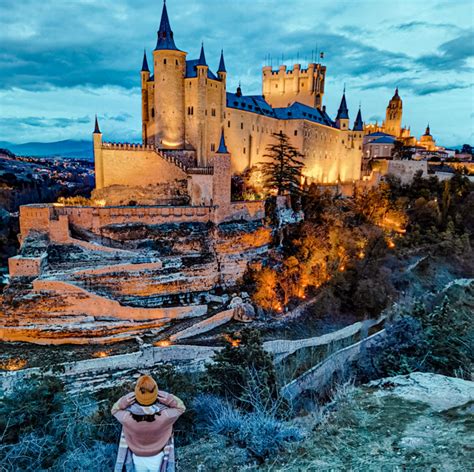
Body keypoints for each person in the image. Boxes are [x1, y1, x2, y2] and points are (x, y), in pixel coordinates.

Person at [112, 374, 186, 472]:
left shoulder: (127, 418)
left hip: (137, 456)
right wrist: (168, 398)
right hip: (157, 457)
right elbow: (181, 407)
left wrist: (124, 401)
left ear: (136, 395)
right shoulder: (165, 416)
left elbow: (114, 410)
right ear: (156, 394)